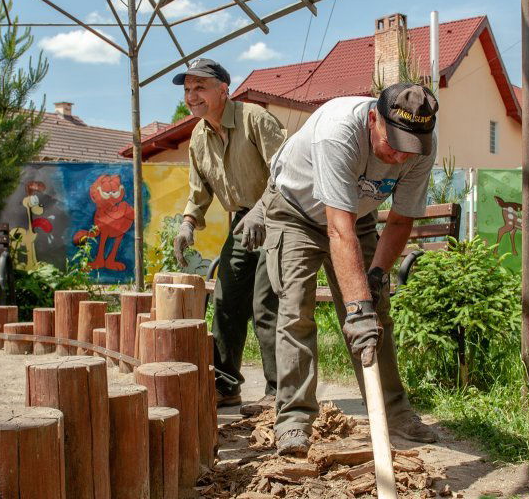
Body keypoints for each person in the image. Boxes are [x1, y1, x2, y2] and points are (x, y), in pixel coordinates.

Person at [262, 82, 440, 456]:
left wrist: (374, 279)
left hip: (356, 212)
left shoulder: (420, 145)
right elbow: (336, 231)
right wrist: (356, 309)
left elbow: (400, 220)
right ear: (374, 118)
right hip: (296, 212)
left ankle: (395, 413)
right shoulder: (338, 132)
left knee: (377, 314)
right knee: (296, 310)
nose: (400, 159)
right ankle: (294, 419)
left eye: (410, 150)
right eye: (393, 145)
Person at [171, 58, 285, 408]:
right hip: (241, 221)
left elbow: (286, 174)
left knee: (266, 304)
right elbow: (199, 190)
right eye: (188, 90)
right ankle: (225, 385)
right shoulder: (198, 136)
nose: (192, 97)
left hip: (279, 217)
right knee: (225, 301)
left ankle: (280, 392)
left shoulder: (255, 119)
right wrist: (188, 223)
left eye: (199, 88)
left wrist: (261, 212)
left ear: (224, 90)